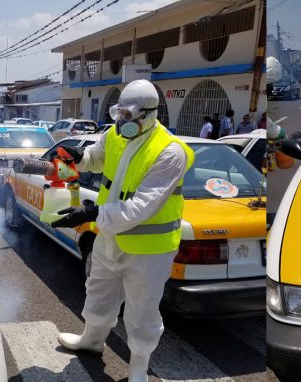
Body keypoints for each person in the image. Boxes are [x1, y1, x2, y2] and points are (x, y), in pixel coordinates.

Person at [51, 79, 195, 382]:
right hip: (109, 238)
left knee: (142, 311)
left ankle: (139, 368)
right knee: (98, 291)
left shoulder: (170, 152)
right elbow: (96, 158)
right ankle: (91, 340)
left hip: (149, 249)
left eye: (129, 117)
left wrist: (92, 213)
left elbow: (141, 207)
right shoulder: (115, 134)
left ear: (150, 113)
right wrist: (80, 156)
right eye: (120, 115)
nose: (122, 123)